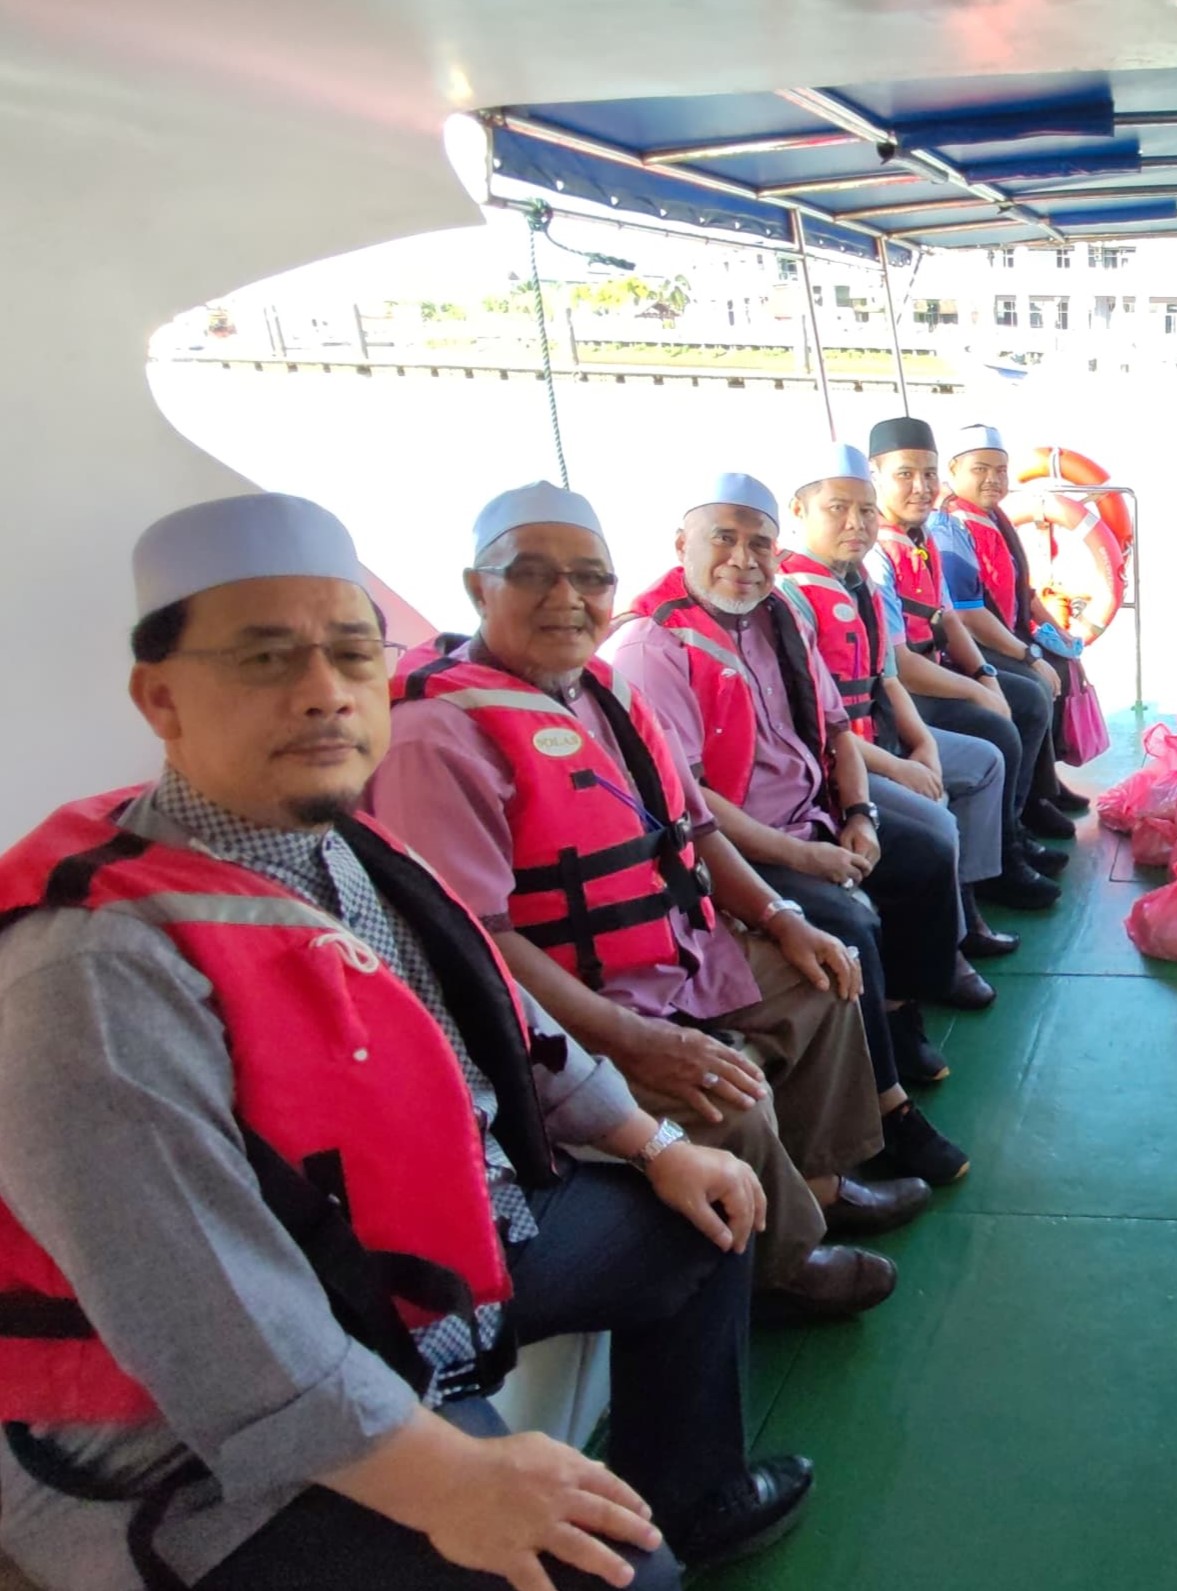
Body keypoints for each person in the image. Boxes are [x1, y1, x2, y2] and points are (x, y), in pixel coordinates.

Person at [0, 494, 809, 1591]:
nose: (325, 690)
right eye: (264, 658)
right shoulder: (94, 970)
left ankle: (695, 1494)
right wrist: (443, 1478)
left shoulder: (346, 845)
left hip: (407, 1271)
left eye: (348, 650)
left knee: (699, 1226)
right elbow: (205, 1314)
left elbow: (504, 1021)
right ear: (160, 698)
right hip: (190, 1444)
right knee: (618, 1578)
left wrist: (654, 1140)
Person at [368, 482, 915, 1323]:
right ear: (478, 588)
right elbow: (477, 943)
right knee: (726, 1105)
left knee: (823, 976)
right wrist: (635, 1041)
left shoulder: (604, 691)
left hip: (675, 953)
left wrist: (781, 917)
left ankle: (819, 1185)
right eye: (533, 575)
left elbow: (695, 830)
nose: (568, 598)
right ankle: (783, 1264)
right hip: (566, 1014)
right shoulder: (436, 736)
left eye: (591, 578)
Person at [601, 471, 972, 1185]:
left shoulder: (785, 616)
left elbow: (836, 729)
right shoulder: (653, 647)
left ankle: (896, 1019)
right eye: (724, 540)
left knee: (926, 849)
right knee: (846, 922)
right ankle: (887, 1112)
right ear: (683, 544)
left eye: (759, 544)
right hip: (741, 843)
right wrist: (805, 856)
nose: (743, 559)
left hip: (819, 809)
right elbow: (693, 798)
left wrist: (859, 815)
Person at [782, 447, 1046, 922]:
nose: (855, 523)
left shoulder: (858, 578)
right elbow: (823, 724)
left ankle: (981, 883)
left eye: (864, 511)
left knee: (995, 743)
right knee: (938, 818)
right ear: (798, 511)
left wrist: (924, 743)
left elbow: (887, 675)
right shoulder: (791, 599)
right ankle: (957, 938)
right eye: (837, 509)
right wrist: (903, 766)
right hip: (844, 758)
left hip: (882, 731)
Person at [867, 416, 1069, 898]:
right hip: (901, 692)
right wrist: (978, 690)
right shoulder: (877, 554)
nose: (921, 487)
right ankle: (998, 865)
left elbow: (949, 618)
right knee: (998, 724)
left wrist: (986, 676)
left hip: (932, 671)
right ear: (875, 475)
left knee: (1022, 697)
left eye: (928, 475)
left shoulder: (923, 540)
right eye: (905, 475)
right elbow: (900, 665)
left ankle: (1013, 831)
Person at [936, 423, 1092, 821]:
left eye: (1001, 470)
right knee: (1036, 686)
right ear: (953, 473)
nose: (993, 479)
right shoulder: (953, 528)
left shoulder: (994, 518)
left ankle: (1047, 782)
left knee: (1062, 665)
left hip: (1006, 630)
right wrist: (1027, 655)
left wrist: (1053, 628)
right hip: (973, 644)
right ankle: (1025, 808)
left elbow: (1022, 587)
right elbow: (969, 615)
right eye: (980, 469)